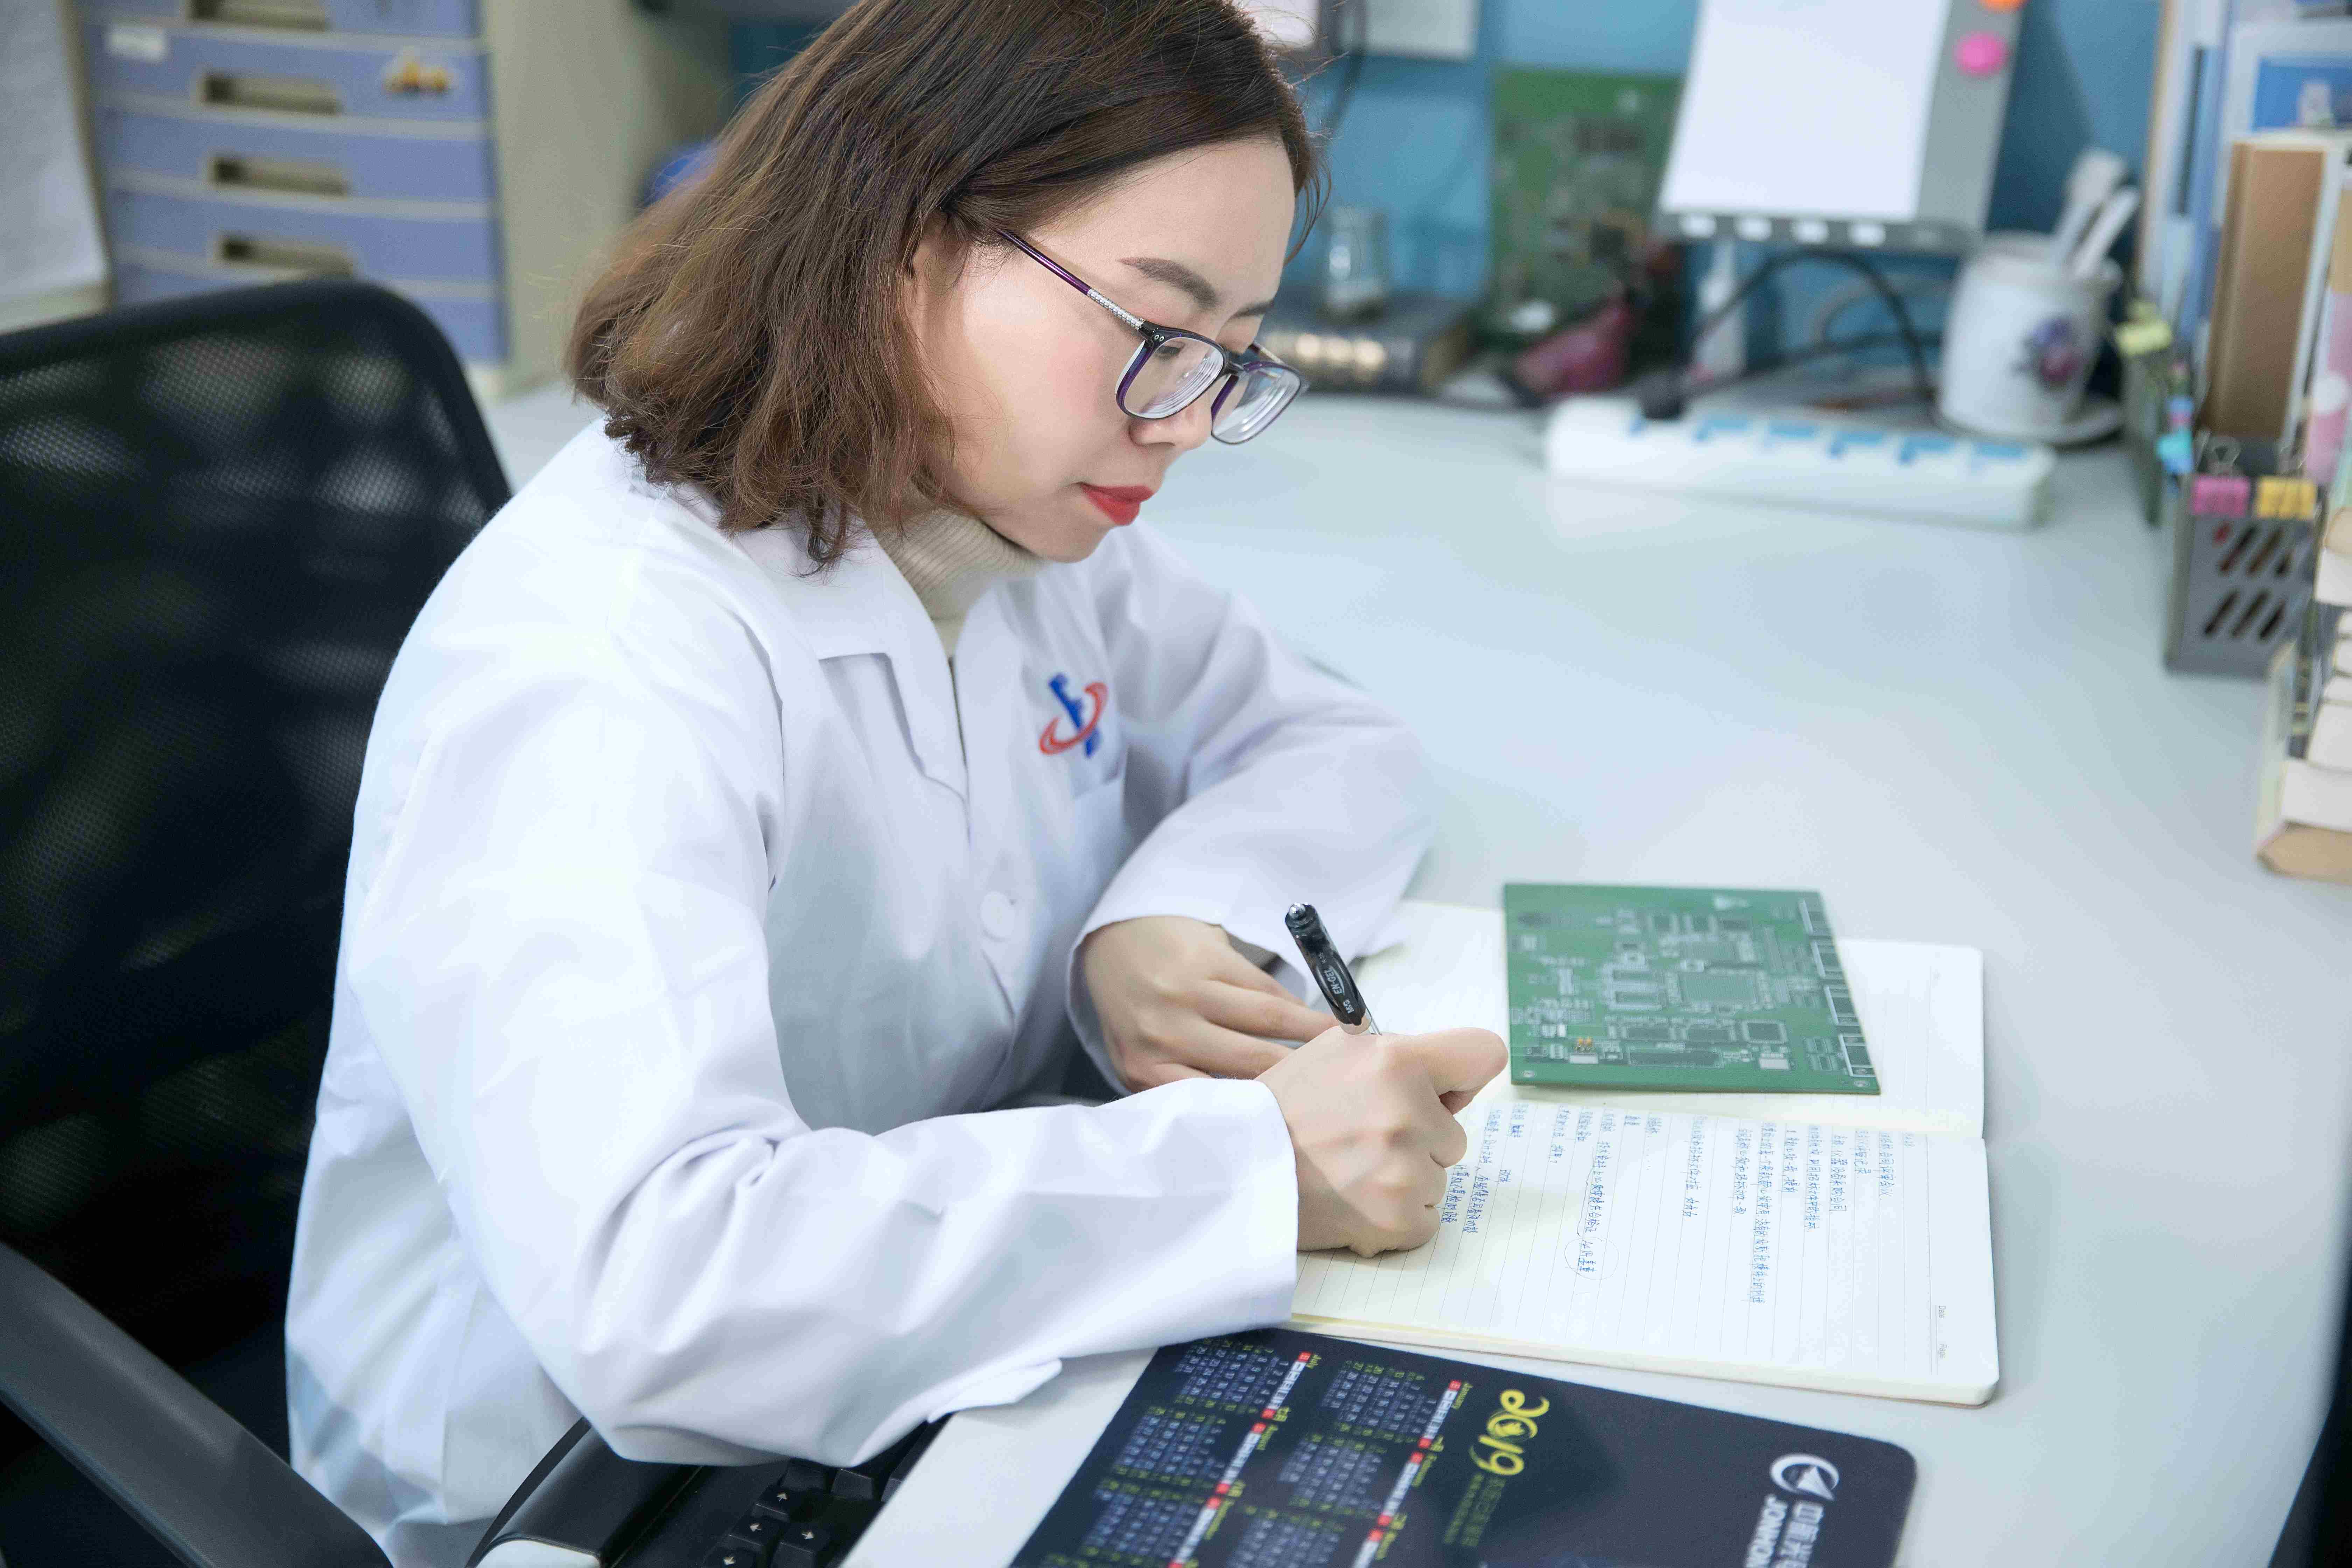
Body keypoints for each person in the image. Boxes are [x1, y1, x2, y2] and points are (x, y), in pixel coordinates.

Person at [283, 1, 1504, 1561]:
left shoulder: (1011, 525)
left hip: (929, 1349)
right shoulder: (604, 655)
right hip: (557, 1484)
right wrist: (1251, 1168)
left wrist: (1164, 918)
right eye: (1155, 331)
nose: (1195, 422)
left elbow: (1333, 741)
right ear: (900, 249)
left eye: (1232, 356)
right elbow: (664, 1297)